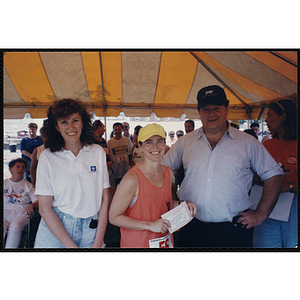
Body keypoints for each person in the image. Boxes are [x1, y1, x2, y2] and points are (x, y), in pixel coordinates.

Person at [162, 85, 284, 248]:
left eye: (217, 108)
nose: (211, 113)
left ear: (226, 109)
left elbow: (274, 175)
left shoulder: (248, 143)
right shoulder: (185, 142)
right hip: (190, 226)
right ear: (199, 112)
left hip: (234, 230)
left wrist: (260, 215)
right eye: (206, 109)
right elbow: (162, 170)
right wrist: (173, 201)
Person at [34, 99, 110, 248]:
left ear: (83, 123)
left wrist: (98, 241)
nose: (71, 127)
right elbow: (44, 208)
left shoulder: (97, 152)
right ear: (56, 126)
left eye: (75, 120)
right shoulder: (47, 157)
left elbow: (105, 198)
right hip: (55, 231)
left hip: (91, 230)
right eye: (64, 122)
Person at [109, 123, 197, 248]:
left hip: (164, 242)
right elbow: (114, 217)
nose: (155, 146)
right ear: (140, 147)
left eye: (159, 141)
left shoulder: (168, 173)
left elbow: (166, 202)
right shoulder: (132, 179)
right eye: (148, 142)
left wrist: (183, 205)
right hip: (138, 244)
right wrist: (149, 225)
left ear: (165, 144)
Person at [253, 99, 297, 248]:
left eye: (270, 115)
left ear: (283, 116)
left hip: (294, 207)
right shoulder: (267, 145)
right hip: (267, 204)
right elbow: (256, 176)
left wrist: (288, 186)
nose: (266, 119)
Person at [3, 158, 38, 248]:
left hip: (21, 213)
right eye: (17, 167)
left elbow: (37, 201)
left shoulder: (28, 185)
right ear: (10, 169)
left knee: (15, 228)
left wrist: (32, 205)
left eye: (23, 167)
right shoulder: (5, 183)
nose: (20, 169)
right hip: (5, 211)